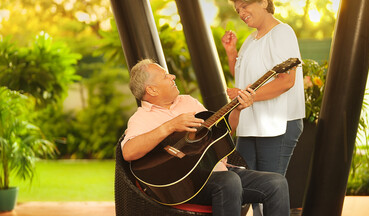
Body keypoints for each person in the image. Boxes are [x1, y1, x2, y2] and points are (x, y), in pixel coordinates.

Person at [121, 59, 290, 216]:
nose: (172, 76)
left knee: (276, 183)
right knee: (229, 181)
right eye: (165, 76)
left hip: (219, 171)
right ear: (152, 89)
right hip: (187, 184)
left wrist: (237, 109)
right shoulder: (142, 117)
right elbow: (129, 152)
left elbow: (221, 134)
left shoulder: (187, 102)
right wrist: (170, 126)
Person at [221, 0, 305, 177]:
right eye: (238, 9)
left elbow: (286, 81)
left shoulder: (282, 33)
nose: (241, 13)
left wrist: (247, 96)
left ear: (264, 2)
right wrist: (231, 52)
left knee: (270, 189)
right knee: (247, 186)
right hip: (251, 123)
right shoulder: (251, 39)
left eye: (245, 6)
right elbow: (242, 76)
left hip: (279, 123)